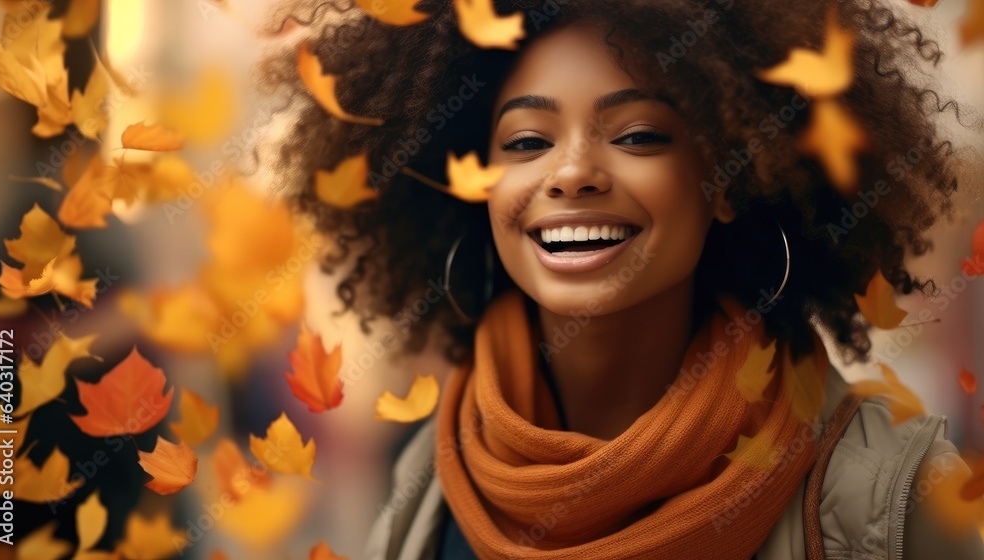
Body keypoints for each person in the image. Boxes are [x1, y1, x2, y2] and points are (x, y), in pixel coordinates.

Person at [259, 0, 984, 558]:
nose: (571, 172)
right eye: (527, 142)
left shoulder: (897, 494)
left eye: (638, 135)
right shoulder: (433, 476)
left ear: (727, 178)